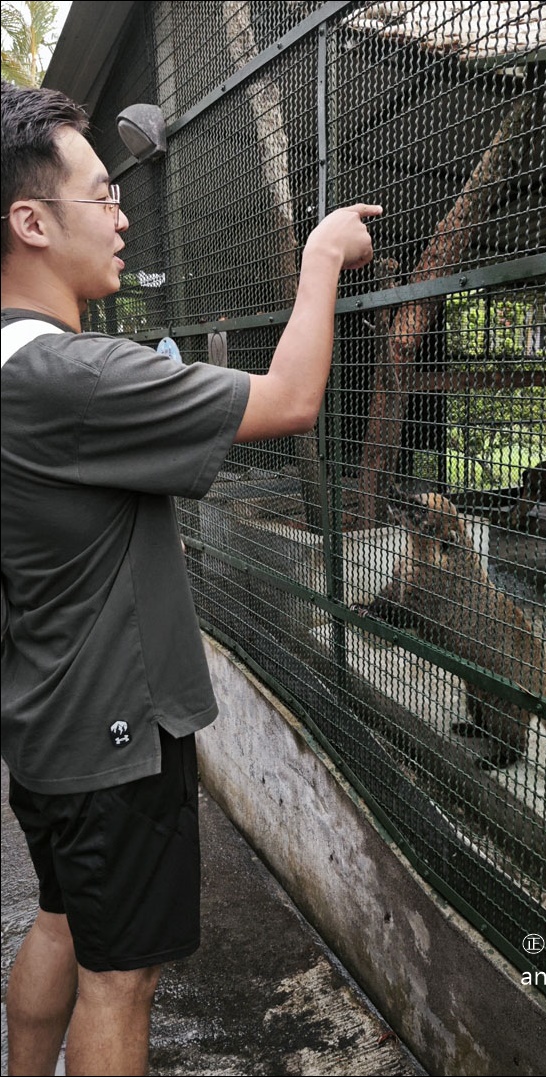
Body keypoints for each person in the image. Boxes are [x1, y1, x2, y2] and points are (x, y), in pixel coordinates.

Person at [0, 80, 381, 1077]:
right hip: (117, 735)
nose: (123, 216)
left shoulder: (18, 367)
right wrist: (321, 257)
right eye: (102, 196)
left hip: (46, 722)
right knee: (122, 982)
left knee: (62, 921)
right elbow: (293, 397)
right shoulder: (74, 379)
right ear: (31, 221)